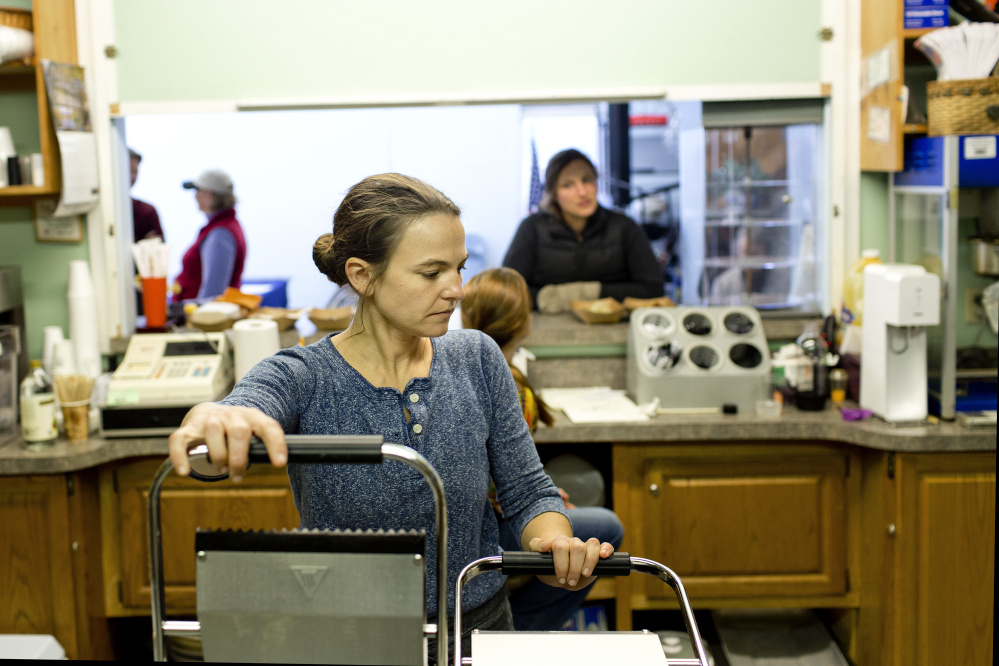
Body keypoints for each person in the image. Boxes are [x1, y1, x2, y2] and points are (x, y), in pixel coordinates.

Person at [166, 173, 616, 663]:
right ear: (362, 276)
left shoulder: (478, 357)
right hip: (352, 642)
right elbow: (224, 431)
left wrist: (553, 544)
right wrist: (211, 421)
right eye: (432, 273)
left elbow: (528, 492)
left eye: (460, 269)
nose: (457, 291)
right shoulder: (304, 375)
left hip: (478, 632)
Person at [461, 267, 624, 631]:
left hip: (477, 513)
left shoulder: (464, 374)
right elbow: (504, 481)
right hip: (488, 521)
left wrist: (544, 497)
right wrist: (539, 505)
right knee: (607, 528)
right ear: (524, 323)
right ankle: (525, 626)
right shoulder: (512, 386)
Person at [502, 148, 664, 313]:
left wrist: (588, 292)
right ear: (554, 194)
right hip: (545, 330)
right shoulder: (532, 228)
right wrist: (556, 297)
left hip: (615, 327)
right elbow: (506, 291)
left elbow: (653, 289)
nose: (582, 192)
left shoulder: (624, 227)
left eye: (587, 180)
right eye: (568, 185)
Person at [171, 169, 247, 302]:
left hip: (203, 318)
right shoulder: (224, 227)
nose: (194, 196)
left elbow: (212, 294)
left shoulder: (220, 234)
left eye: (197, 191)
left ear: (208, 195)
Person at [129, 148, 164, 242]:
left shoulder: (147, 212)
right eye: (129, 170)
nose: (133, 177)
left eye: (135, 172)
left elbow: (159, 250)